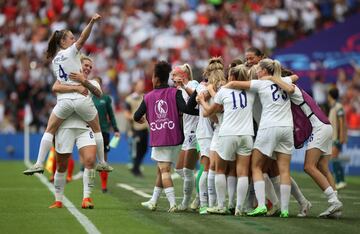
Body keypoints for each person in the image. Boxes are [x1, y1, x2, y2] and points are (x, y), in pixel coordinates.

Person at [23, 13, 112, 175]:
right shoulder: (70, 52)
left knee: (49, 130)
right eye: (70, 38)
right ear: (63, 42)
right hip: (80, 100)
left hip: (63, 102)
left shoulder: (55, 59)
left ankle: (38, 163)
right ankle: (103, 162)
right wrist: (91, 22)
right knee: (97, 129)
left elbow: (58, 85)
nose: (74, 40)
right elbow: (83, 38)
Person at [225, 58, 294, 218]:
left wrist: (224, 87)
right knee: (284, 170)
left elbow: (236, 84)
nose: (256, 70)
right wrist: (274, 78)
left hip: (269, 127)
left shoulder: (260, 83)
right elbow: (294, 78)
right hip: (287, 128)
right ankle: (284, 210)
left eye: (258, 68)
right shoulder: (283, 80)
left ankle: (261, 205)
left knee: (256, 167)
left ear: (264, 70)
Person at [269, 76, 343, 218]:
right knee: (323, 168)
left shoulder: (292, 88)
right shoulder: (301, 91)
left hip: (319, 127)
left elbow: (288, 86)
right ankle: (336, 206)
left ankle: (333, 201)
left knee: (309, 167)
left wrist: (273, 78)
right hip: (326, 125)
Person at [134, 61, 198, 212]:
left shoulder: (148, 97)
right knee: (161, 170)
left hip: (160, 139)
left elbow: (137, 116)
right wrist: (197, 101)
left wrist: (142, 119)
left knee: (164, 171)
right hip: (176, 138)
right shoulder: (175, 92)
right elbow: (186, 109)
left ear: (155, 78)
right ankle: (153, 201)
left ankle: (172, 204)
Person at [198, 64, 254, 215]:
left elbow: (209, 112)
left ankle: (221, 206)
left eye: (230, 75)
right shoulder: (251, 92)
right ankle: (239, 208)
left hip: (228, 133)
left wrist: (202, 100)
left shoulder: (224, 92)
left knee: (219, 169)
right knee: (242, 172)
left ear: (233, 78)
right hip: (247, 134)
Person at [48, 76, 102, 209]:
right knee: (61, 165)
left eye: (90, 66)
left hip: (85, 126)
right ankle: (58, 200)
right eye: (85, 65)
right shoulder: (63, 80)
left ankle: (87, 198)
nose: (88, 68)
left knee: (90, 160)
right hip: (65, 126)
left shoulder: (92, 82)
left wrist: (84, 82)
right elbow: (55, 87)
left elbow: (99, 93)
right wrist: (75, 87)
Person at [172, 63, 200, 211]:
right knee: (179, 169)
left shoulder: (193, 84)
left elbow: (197, 98)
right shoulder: (178, 89)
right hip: (187, 130)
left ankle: (187, 202)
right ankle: (200, 192)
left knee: (187, 169)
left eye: (174, 75)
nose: (172, 78)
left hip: (196, 130)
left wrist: (183, 87)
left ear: (183, 76)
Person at [92, 76, 120, 192]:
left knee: (103, 160)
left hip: (103, 130)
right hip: (89, 130)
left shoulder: (106, 98)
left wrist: (116, 129)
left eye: (98, 84)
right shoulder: (87, 98)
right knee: (89, 158)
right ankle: (89, 182)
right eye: (94, 84)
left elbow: (111, 114)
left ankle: (104, 185)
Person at [125, 80, 148, 177]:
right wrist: (136, 117)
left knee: (144, 149)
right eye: (139, 85)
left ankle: (136, 167)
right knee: (137, 149)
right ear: (135, 87)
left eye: (142, 85)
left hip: (145, 128)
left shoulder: (146, 97)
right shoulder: (129, 99)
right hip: (135, 128)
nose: (141, 87)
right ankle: (136, 168)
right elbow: (126, 114)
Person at [328, 87, 347, 190]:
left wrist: (341, 137)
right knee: (335, 159)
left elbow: (341, 122)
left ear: (330, 96)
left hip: (337, 138)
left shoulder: (338, 106)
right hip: (334, 137)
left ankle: (340, 180)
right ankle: (341, 180)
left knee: (334, 158)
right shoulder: (333, 107)